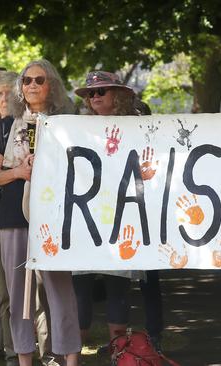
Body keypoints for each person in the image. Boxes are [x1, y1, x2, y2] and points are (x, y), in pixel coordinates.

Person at [0, 59, 81, 366]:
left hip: (54, 214)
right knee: (17, 295)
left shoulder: (67, 125)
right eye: (26, 80)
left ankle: (70, 359)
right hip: (12, 215)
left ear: (52, 86)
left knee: (60, 291)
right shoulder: (5, 125)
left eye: (39, 80)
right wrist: (20, 171)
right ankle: (24, 360)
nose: (32, 85)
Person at [72, 71, 139, 346]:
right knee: (80, 287)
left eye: (101, 92)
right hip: (85, 216)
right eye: (91, 93)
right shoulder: (75, 129)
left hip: (123, 216)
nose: (95, 97)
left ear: (117, 95)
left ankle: (119, 353)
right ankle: (74, 357)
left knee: (117, 287)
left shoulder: (137, 127)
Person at [0, 71, 18, 366]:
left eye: (6, 94)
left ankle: (18, 350)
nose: (3, 100)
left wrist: (7, 170)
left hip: (15, 218)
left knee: (19, 294)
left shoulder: (26, 126)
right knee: (1, 294)